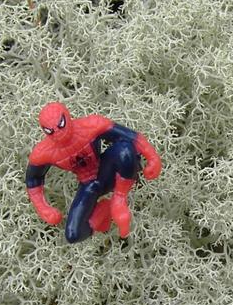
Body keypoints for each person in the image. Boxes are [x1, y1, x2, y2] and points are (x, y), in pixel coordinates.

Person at [25, 102, 162, 242]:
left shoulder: (91, 125)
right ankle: (104, 210)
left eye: (61, 125)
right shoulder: (43, 152)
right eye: (51, 131)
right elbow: (32, 180)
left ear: (67, 117)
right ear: (45, 131)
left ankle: (119, 198)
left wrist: (153, 157)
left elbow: (130, 136)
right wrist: (43, 208)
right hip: (89, 185)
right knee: (73, 234)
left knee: (125, 149)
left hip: (106, 169)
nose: (59, 133)